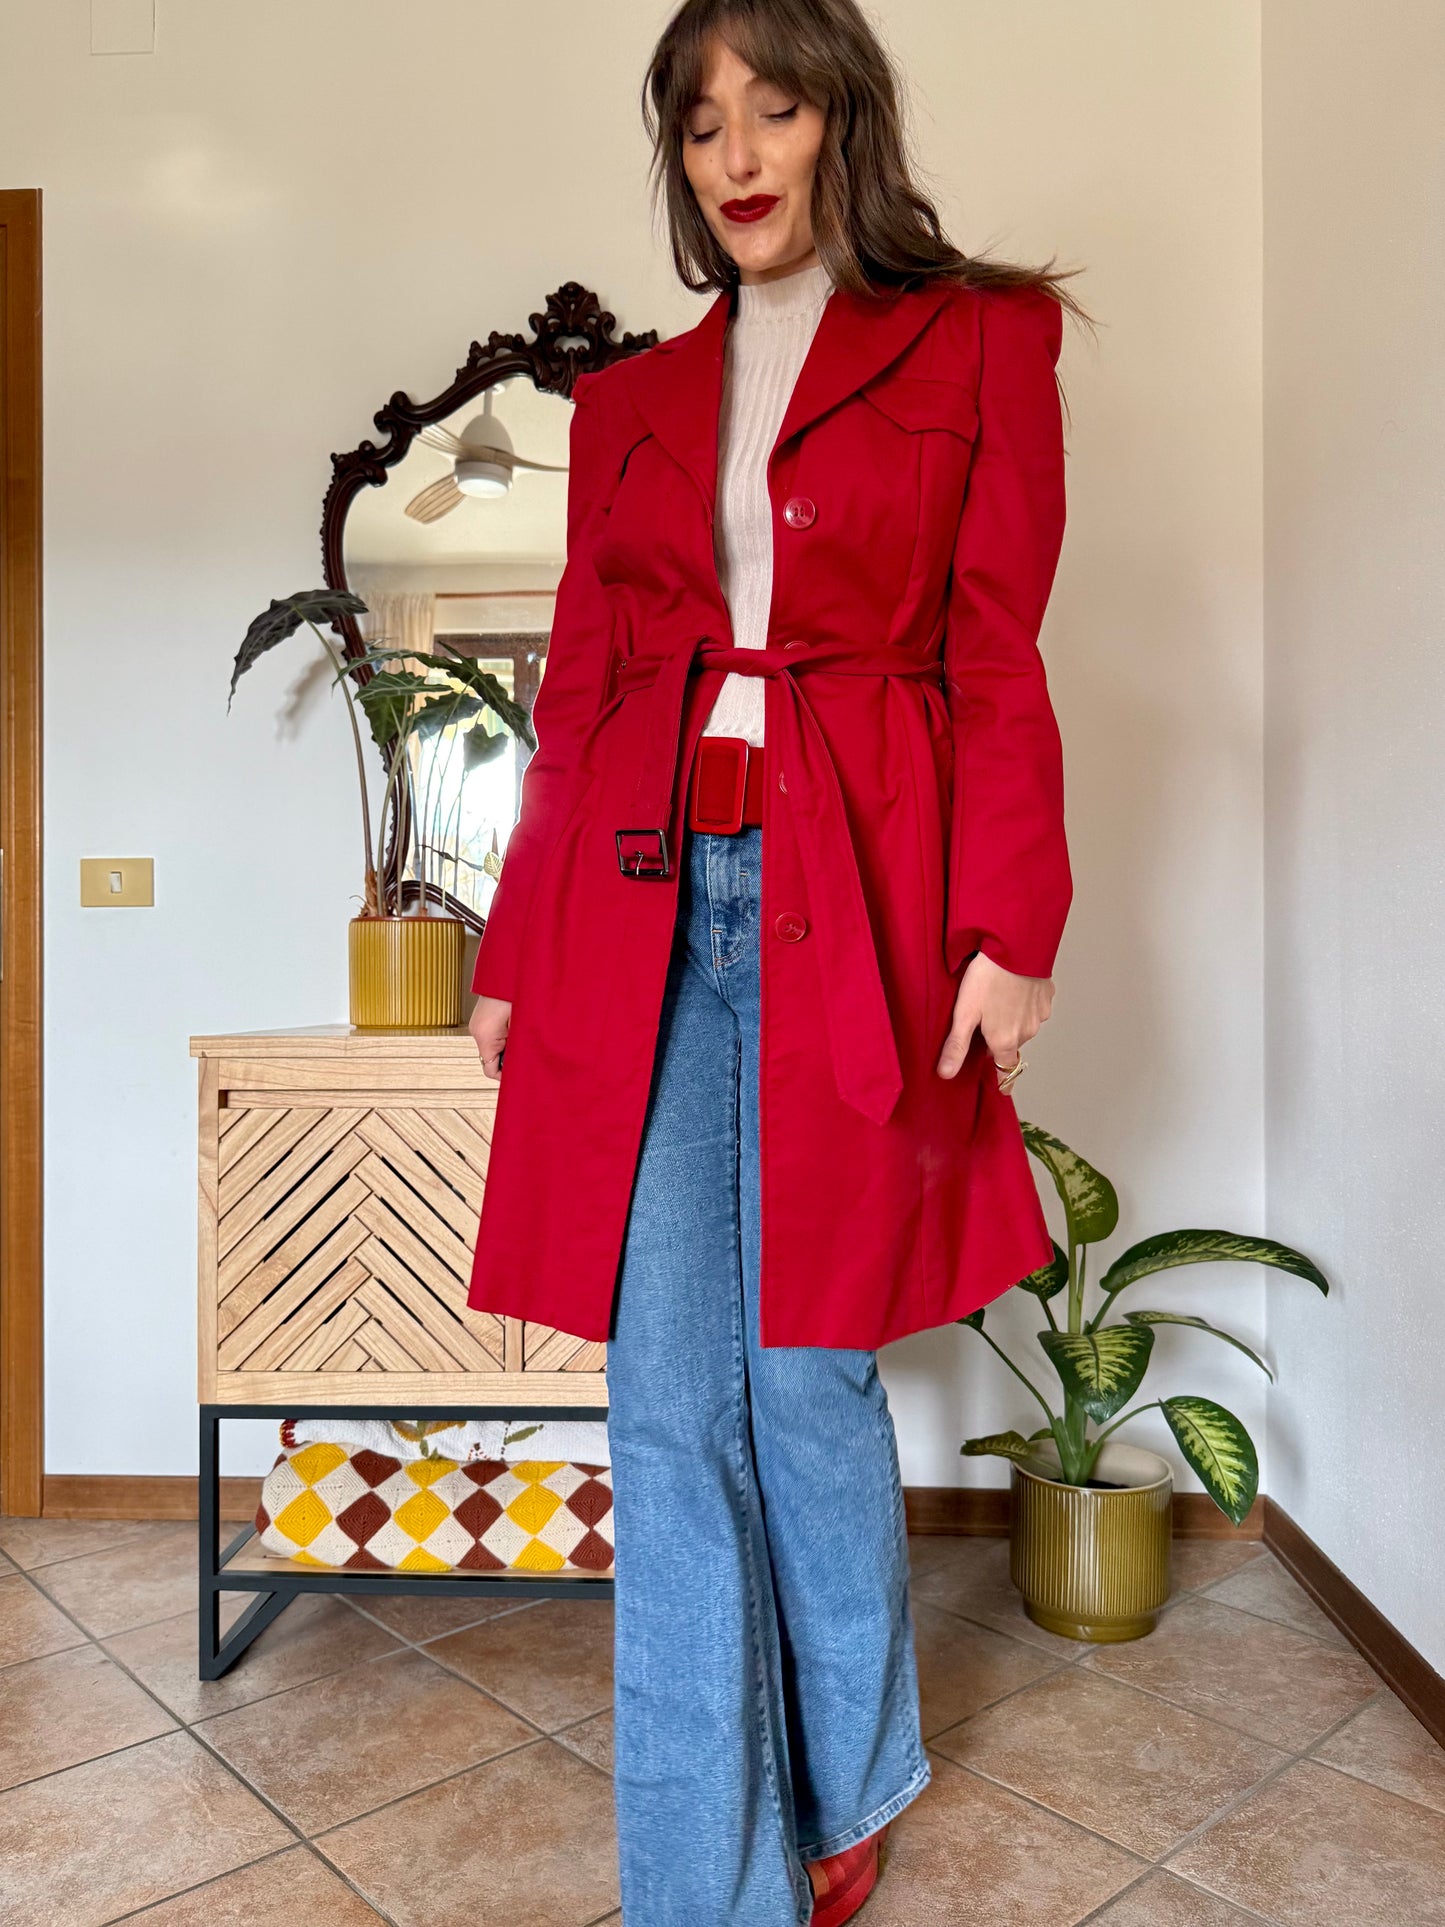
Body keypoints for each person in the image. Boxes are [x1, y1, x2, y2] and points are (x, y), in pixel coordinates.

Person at [467, 2, 1088, 1919]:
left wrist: (1009, 921)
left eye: (774, 107)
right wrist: (513, 948)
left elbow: (991, 651)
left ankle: (854, 1761)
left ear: (841, 121)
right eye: (699, 122)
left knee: (805, 1369)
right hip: (642, 917)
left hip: (863, 911)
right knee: (662, 1396)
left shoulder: (980, 344)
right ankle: (703, 1878)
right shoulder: (629, 409)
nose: (734, 153)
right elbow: (580, 699)